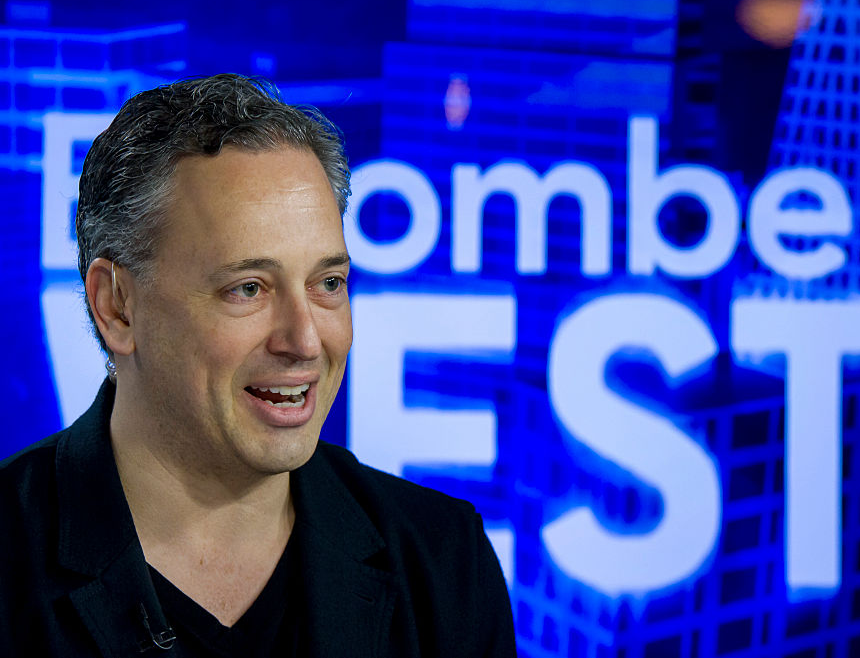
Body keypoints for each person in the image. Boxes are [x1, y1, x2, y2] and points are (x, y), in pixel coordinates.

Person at [0, 74, 516, 657]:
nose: (305, 341)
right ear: (117, 306)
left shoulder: (445, 564)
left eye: (328, 283)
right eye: (248, 288)